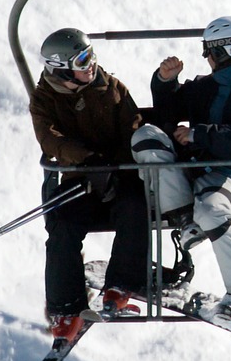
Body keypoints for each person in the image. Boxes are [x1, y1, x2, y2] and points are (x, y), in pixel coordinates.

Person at [130, 16, 231, 322]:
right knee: (146, 139)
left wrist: (201, 135)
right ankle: (186, 221)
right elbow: (168, 111)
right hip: (200, 165)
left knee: (211, 209)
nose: (206, 57)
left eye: (208, 50)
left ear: (223, 51)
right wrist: (165, 82)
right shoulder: (207, 86)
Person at [30, 28, 146, 340]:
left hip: (119, 174)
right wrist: (87, 160)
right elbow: (50, 138)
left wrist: (119, 165)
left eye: (91, 55)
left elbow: (132, 126)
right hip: (80, 176)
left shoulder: (109, 87)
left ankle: (120, 286)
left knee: (135, 206)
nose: (91, 64)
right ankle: (66, 309)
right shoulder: (44, 99)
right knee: (62, 224)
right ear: (62, 68)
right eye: (83, 60)